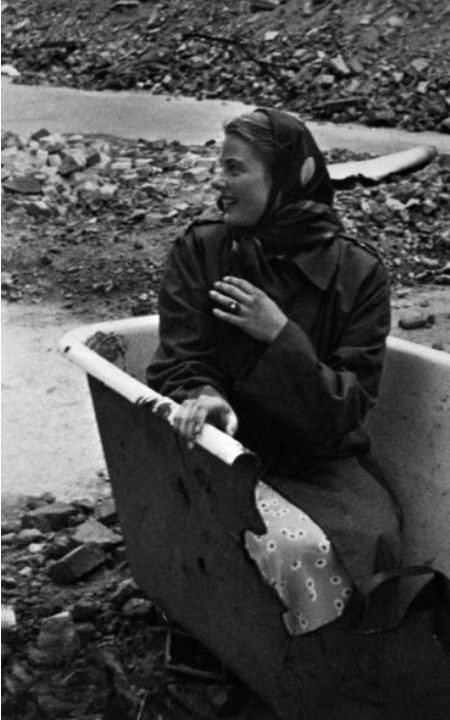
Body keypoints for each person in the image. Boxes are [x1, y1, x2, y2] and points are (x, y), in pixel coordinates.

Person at [147, 108, 405, 635]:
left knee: (377, 545)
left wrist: (279, 334)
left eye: (235, 169)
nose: (218, 182)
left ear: (288, 179)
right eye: (217, 166)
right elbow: (179, 357)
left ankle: (340, 672)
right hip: (228, 456)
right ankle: (260, 656)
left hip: (321, 460)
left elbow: (347, 407)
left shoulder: (359, 274)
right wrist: (204, 395)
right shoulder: (203, 249)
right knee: (294, 551)